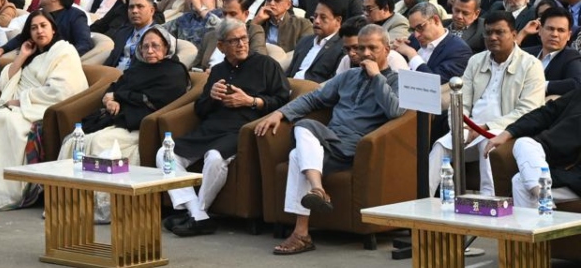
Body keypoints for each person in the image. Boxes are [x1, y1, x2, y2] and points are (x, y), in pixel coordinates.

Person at [256, 24, 404, 255]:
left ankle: (313, 202)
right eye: (360, 48)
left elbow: (395, 111)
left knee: (302, 134)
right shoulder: (348, 77)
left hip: (357, 146)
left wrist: (376, 76)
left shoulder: (395, 80)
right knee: (297, 150)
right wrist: (280, 113)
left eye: (372, 48)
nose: (365, 54)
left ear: (386, 49)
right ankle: (304, 225)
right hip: (330, 141)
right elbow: (314, 99)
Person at [161, 18, 288, 236]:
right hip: (211, 127)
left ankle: (197, 213)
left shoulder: (267, 65)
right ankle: (197, 214)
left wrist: (250, 101)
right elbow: (201, 110)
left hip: (242, 128)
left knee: (214, 157)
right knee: (166, 154)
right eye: (234, 41)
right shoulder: (218, 70)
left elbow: (283, 101)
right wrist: (211, 97)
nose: (241, 44)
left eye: (244, 39)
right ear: (221, 46)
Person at [0, 9, 87, 211]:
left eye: (43, 26)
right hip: (19, 107)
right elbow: (4, 84)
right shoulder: (32, 55)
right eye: (33, 28)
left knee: (6, 124)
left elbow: (62, 90)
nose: (39, 31)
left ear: (53, 29)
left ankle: (8, 193)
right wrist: (22, 55)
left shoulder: (64, 51)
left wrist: (22, 101)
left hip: (40, 109)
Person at [61, 24, 190, 223]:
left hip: (141, 126)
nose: (149, 51)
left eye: (155, 46)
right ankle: (69, 204)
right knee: (77, 141)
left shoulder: (174, 71)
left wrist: (119, 96)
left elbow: (154, 99)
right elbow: (116, 87)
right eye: (145, 46)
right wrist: (110, 99)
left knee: (100, 143)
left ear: (166, 48)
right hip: (119, 120)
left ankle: (100, 208)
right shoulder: (138, 68)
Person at [428, 12, 545, 199]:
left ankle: (488, 203)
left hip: (502, 131)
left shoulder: (531, 65)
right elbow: (459, 102)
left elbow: (528, 111)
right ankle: (423, 202)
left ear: (514, 34)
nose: (492, 37)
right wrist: (458, 127)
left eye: (499, 32)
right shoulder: (476, 60)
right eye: (488, 32)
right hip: (469, 128)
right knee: (440, 146)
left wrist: (486, 127)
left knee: (487, 143)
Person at [484, 84, 581, 210]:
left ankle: (543, 202)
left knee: (521, 181)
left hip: (575, 176)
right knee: (523, 145)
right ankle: (543, 202)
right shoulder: (577, 95)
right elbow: (545, 113)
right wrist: (508, 133)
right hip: (557, 167)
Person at [395, 1, 472, 84]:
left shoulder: (459, 51)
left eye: (420, 27)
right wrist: (396, 50)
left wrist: (412, 54)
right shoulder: (414, 39)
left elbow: (433, 84)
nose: (416, 35)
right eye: (414, 29)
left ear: (436, 20)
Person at [286, 0, 346, 83]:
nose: (317, 21)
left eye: (323, 17)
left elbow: (333, 83)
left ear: (338, 20)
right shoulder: (305, 41)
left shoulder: (342, 47)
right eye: (315, 16)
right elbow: (289, 72)